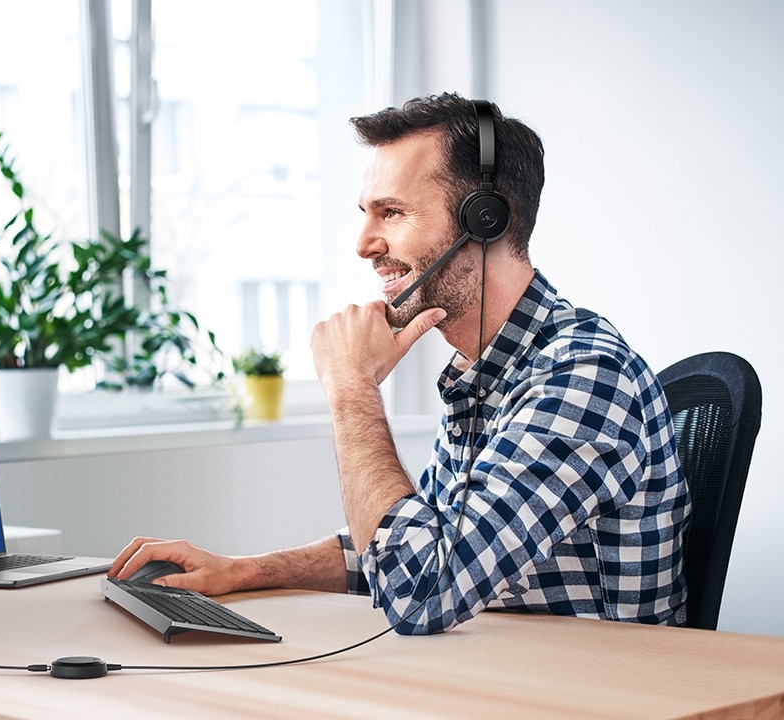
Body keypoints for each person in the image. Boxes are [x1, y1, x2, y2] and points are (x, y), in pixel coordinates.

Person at [109, 92, 690, 634]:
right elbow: (406, 552)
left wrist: (351, 386)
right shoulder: (486, 375)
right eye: (366, 213)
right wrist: (244, 571)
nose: (363, 244)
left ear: (486, 217)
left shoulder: (582, 378)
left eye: (391, 213)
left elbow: (421, 589)